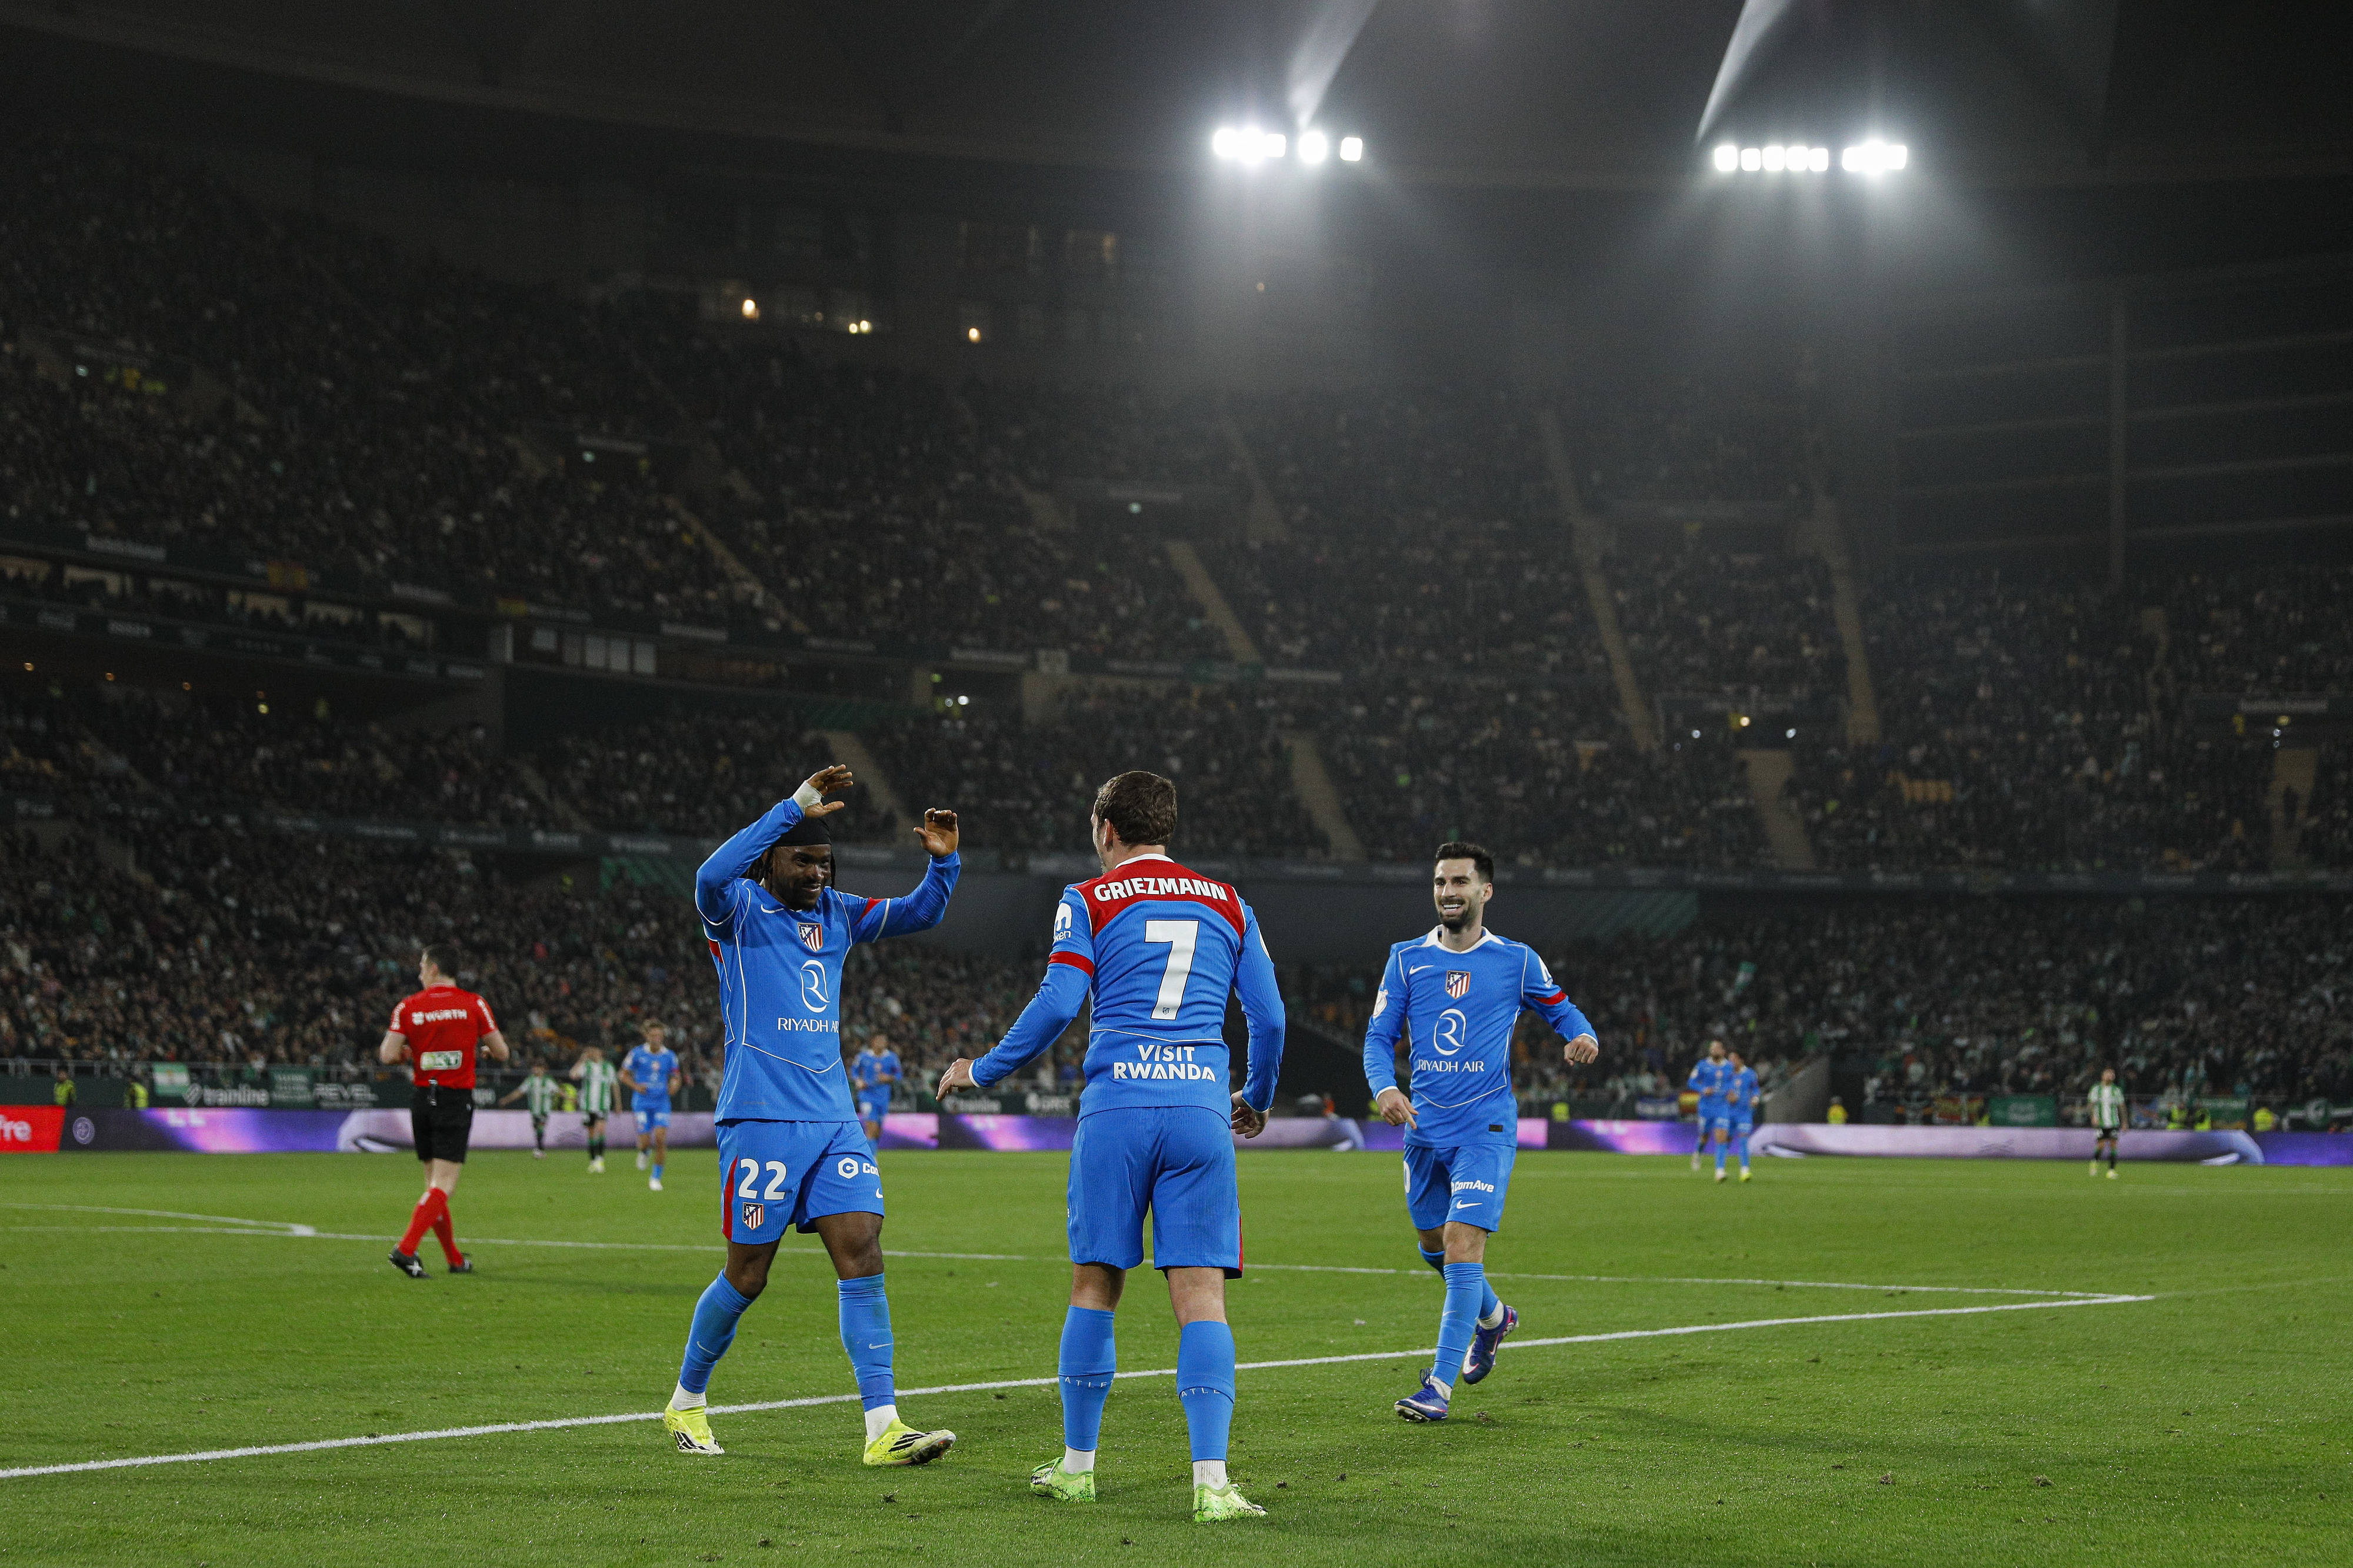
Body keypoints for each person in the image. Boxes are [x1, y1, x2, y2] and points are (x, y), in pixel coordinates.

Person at [937, 769, 1285, 1524]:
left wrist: (982, 1067)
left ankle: (1078, 1468)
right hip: (1199, 1108)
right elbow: (1271, 1016)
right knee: (1201, 1298)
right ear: (1166, 827)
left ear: (1105, 829)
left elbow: (1060, 1001)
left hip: (1117, 1108)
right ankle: (1213, 1483)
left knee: (1095, 1281)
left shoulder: (1087, 898)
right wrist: (1254, 1097)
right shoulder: (1230, 902)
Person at [661, 763, 963, 1467]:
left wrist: (943, 866)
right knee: (748, 1273)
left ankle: (883, 1426)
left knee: (862, 1253)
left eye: (826, 862)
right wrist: (792, 806)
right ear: (771, 860)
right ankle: (686, 1400)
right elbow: (709, 870)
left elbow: (921, 911)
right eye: (804, 858)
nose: (818, 872)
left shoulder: (839, 913)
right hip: (760, 1118)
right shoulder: (734, 908)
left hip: (834, 1120)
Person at [1363, 842, 1599, 1423]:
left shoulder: (1516, 960)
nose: (1448, 890)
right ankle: (1495, 1318)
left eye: (1460, 881)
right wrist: (1384, 1087)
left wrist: (1582, 1035)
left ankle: (1437, 1385)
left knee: (1463, 1244)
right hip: (1423, 1126)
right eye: (1440, 880)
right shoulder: (1404, 958)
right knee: (1432, 1244)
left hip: (1485, 1124)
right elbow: (1376, 1038)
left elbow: (1563, 1009)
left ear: (1484, 891)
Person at [380, 943, 509, 1277]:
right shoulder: (474, 1003)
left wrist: (416, 1053)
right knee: (444, 1186)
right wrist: (473, 1048)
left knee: (433, 1187)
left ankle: (454, 1259)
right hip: (454, 1099)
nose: (419, 973)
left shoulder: (408, 1007)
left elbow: (387, 1055)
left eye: (422, 967)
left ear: (435, 968)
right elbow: (502, 1053)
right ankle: (406, 1249)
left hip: (423, 1099)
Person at [625, 1022, 683, 1190]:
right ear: (647, 1036)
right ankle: (644, 1151)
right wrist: (636, 1087)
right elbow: (623, 1074)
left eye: (659, 1036)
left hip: (661, 1103)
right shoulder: (637, 1054)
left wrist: (674, 1085)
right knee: (644, 1142)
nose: (657, 1039)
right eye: (653, 1036)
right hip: (642, 1103)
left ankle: (656, 1178)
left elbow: (676, 1076)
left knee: (660, 1139)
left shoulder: (670, 1056)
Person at [850, 1033, 902, 1155]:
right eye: (879, 1040)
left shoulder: (892, 1058)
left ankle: (871, 1154)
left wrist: (888, 1078)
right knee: (871, 1128)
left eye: (883, 1041)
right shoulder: (863, 1057)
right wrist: (859, 1081)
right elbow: (854, 1071)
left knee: (878, 1130)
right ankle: (871, 1160)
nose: (881, 1043)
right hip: (867, 1096)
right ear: (873, 1042)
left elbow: (899, 1075)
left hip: (883, 1097)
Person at [498, 1059, 560, 1159]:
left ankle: (540, 1150)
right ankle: (539, 1149)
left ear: (543, 1069)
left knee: (540, 1127)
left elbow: (558, 1091)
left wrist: (570, 1099)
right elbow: (519, 1092)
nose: (535, 1070)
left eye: (538, 1068)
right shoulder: (530, 1080)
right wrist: (506, 1100)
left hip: (544, 1110)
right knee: (537, 1129)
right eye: (534, 1067)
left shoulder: (548, 1080)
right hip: (534, 1110)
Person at [1687, 1039, 1732, 1173]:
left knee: (1722, 1136)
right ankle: (1697, 1155)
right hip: (1706, 1107)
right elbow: (1691, 1082)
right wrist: (1703, 1089)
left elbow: (1735, 1082)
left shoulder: (1729, 1066)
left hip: (1722, 1106)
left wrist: (1731, 1092)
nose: (1714, 1051)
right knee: (1704, 1136)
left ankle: (1720, 1170)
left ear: (1723, 1051)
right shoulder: (1702, 1065)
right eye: (1712, 1048)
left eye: (1717, 1048)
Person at [572, 1046, 616, 1172]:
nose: (592, 1053)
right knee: (591, 1133)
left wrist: (618, 1103)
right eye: (590, 1051)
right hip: (588, 1105)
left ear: (600, 1051)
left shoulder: (608, 1067)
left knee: (601, 1130)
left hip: (603, 1105)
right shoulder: (587, 1066)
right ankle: (593, 1161)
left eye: (594, 1050)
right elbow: (574, 1075)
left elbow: (615, 1085)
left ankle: (600, 1160)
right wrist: (582, 1060)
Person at [1719, 1050, 1760, 1183]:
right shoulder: (1726, 1074)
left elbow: (1755, 1090)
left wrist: (1755, 1099)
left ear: (1741, 1060)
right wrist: (1727, 1096)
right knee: (1726, 1142)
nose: (1731, 1063)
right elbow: (1721, 1089)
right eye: (1729, 1060)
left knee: (1743, 1141)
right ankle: (1721, 1170)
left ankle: (1745, 1170)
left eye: (1733, 1060)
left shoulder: (1750, 1074)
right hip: (1728, 1114)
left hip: (1744, 1114)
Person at [2089, 1066, 2124, 1178]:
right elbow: (2091, 1105)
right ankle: (2095, 1162)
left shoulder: (2117, 1090)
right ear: (2103, 1076)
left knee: (2114, 1145)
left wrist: (2125, 1122)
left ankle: (2111, 1171)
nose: (2111, 1076)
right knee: (2101, 1145)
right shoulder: (2096, 1089)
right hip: (2101, 1122)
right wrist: (2093, 1117)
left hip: (2114, 1122)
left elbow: (2122, 1107)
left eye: (2112, 1074)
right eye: (2108, 1074)